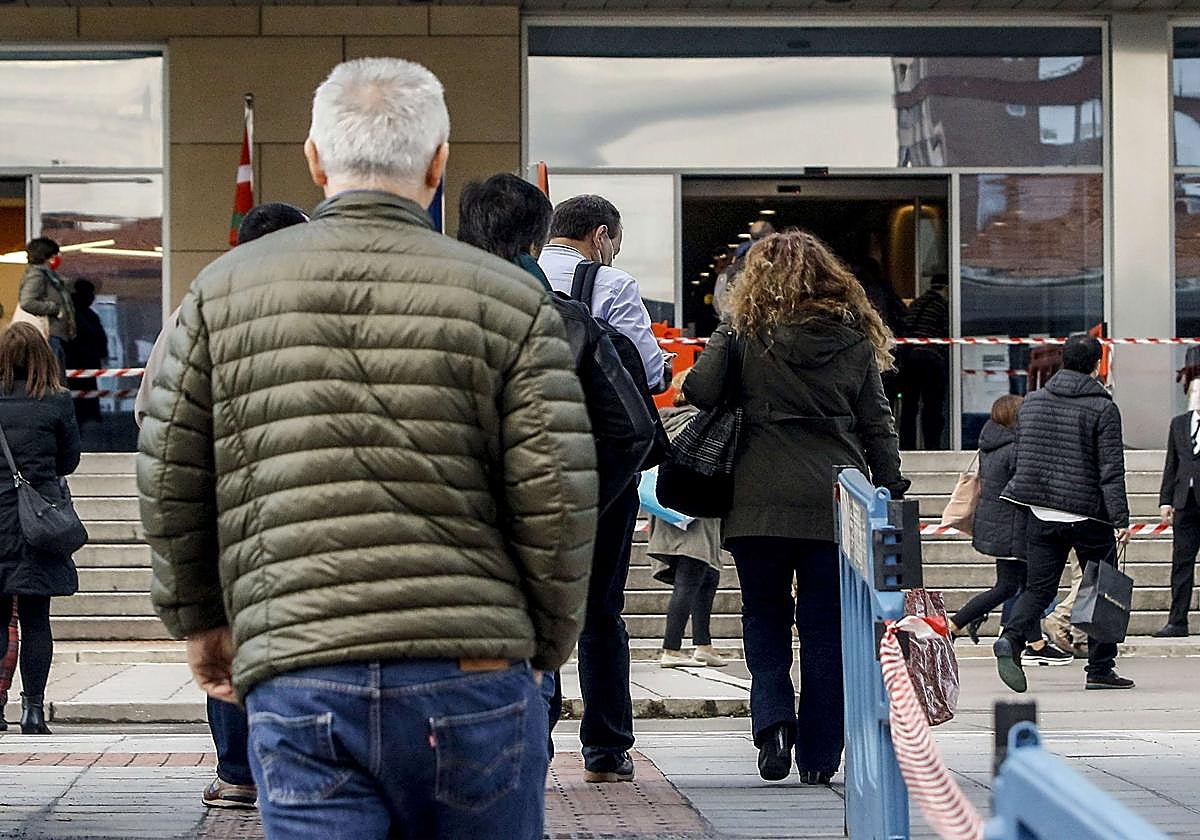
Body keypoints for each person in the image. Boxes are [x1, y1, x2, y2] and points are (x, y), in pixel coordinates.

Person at [139, 57, 597, 840]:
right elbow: (557, 490)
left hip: (300, 664)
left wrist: (201, 618)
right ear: (438, 160)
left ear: (316, 161)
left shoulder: (221, 293)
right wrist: (546, 638)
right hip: (473, 666)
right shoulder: (511, 300)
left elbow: (172, 471)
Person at [684, 230, 907, 785]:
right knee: (825, 628)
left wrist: (728, 330)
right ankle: (821, 756)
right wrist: (889, 483)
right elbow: (876, 422)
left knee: (763, 615)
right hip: (834, 500)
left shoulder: (745, 331)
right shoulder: (853, 338)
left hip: (756, 499)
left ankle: (774, 724)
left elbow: (701, 391)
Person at [134, 201, 309, 810]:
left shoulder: (195, 310)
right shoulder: (332, 305)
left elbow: (153, 413)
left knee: (232, 635)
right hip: (311, 506)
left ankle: (238, 773)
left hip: (226, 509)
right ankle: (301, 771)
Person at [538, 194, 666, 783]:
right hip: (601, 466)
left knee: (531, 605)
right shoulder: (611, 284)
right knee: (600, 609)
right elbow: (652, 370)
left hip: (530, 465)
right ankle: (606, 749)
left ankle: (533, 740)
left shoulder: (515, 277)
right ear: (600, 235)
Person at [994, 333, 1132, 693]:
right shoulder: (1103, 407)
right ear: (1097, 365)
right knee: (1100, 589)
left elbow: (1023, 456)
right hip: (1089, 515)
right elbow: (1110, 469)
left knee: (1039, 589)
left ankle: (1010, 638)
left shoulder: (1032, 403)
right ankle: (1100, 668)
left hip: (1040, 512)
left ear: (1061, 362)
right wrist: (1120, 518)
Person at [0, 322, 82, 735]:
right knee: (36, 619)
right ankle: (33, 710)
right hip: (38, 524)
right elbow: (68, 462)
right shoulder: (56, 402)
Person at [947, 395, 1071, 664]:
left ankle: (1035, 645)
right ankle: (955, 626)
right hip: (1016, 526)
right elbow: (1028, 484)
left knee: (1017, 586)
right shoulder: (1015, 448)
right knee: (1020, 588)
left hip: (998, 526)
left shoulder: (990, 444)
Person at [650, 370, 729, 669]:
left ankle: (703, 644)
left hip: (672, 510)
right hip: (694, 513)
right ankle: (670, 648)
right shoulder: (701, 422)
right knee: (690, 577)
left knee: (707, 576)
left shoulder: (668, 421)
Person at [1153, 353, 1200, 638]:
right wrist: (1165, 500)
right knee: (1181, 565)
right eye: (1195, 392)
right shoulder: (1179, 424)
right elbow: (1171, 463)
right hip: (1185, 503)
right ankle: (1177, 621)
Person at [896, 277, 949, 449]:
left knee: (909, 407)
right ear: (946, 289)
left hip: (910, 358)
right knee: (932, 406)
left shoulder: (917, 304)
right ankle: (932, 446)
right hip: (931, 358)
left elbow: (905, 326)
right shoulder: (942, 306)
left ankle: (907, 446)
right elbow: (947, 331)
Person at [18, 238, 76, 367]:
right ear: (46, 256)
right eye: (54, 255)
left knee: (55, 374)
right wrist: (55, 309)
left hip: (54, 334)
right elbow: (27, 302)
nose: (56, 258)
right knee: (49, 373)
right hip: (47, 333)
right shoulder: (37, 275)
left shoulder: (49, 276)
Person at [63, 279, 109, 426]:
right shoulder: (77, 316)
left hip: (84, 368)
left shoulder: (85, 315)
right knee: (81, 408)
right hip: (77, 368)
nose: (92, 298)